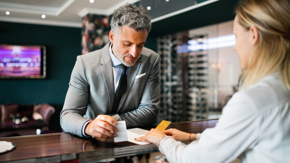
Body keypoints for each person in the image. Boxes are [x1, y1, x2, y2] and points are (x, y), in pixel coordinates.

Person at [137, 0, 290, 162]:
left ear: (253, 35)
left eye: (236, 36)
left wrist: (163, 140)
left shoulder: (252, 101)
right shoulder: (281, 89)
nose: (235, 47)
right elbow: (243, 138)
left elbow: (194, 159)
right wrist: (191, 136)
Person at [60, 3, 160, 139]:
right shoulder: (85, 63)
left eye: (140, 45)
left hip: (133, 141)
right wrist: (90, 126)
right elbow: (67, 115)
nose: (134, 53)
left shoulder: (151, 60)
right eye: (127, 44)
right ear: (112, 37)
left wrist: (109, 123)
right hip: (92, 142)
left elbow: (150, 111)